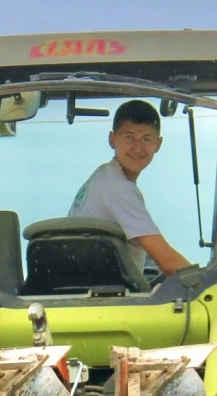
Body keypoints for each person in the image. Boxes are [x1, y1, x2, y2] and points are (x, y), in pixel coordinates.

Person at [67, 99, 192, 276]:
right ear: (112, 140)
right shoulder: (119, 189)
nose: (137, 148)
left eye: (146, 139)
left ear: (158, 144)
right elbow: (168, 263)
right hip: (109, 294)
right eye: (129, 137)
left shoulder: (102, 175)